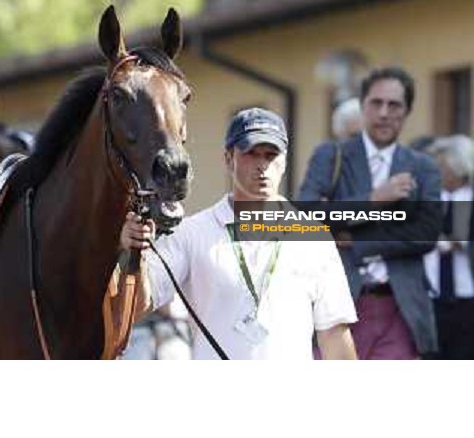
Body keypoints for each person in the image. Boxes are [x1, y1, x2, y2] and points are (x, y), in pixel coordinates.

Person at [121, 107, 358, 360]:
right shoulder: (191, 233)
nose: (262, 165)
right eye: (251, 153)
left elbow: (334, 334)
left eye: (271, 154)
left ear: (284, 161)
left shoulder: (314, 238)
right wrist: (131, 251)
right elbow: (135, 306)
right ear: (228, 158)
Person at [299, 67, 441, 360]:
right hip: (338, 305)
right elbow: (307, 214)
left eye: (395, 105)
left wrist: (357, 241)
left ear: (407, 111)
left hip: (400, 307)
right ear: (363, 106)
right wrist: (373, 200)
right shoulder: (331, 156)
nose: (385, 113)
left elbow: (425, 234)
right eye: (376, 103)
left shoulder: (423, 166)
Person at [424, 135, 474, 359]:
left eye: (442, 167)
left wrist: (455, 242)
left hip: (468, 300)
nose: (438, 172)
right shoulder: (430, 200)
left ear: (459, 167)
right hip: (432, 298)